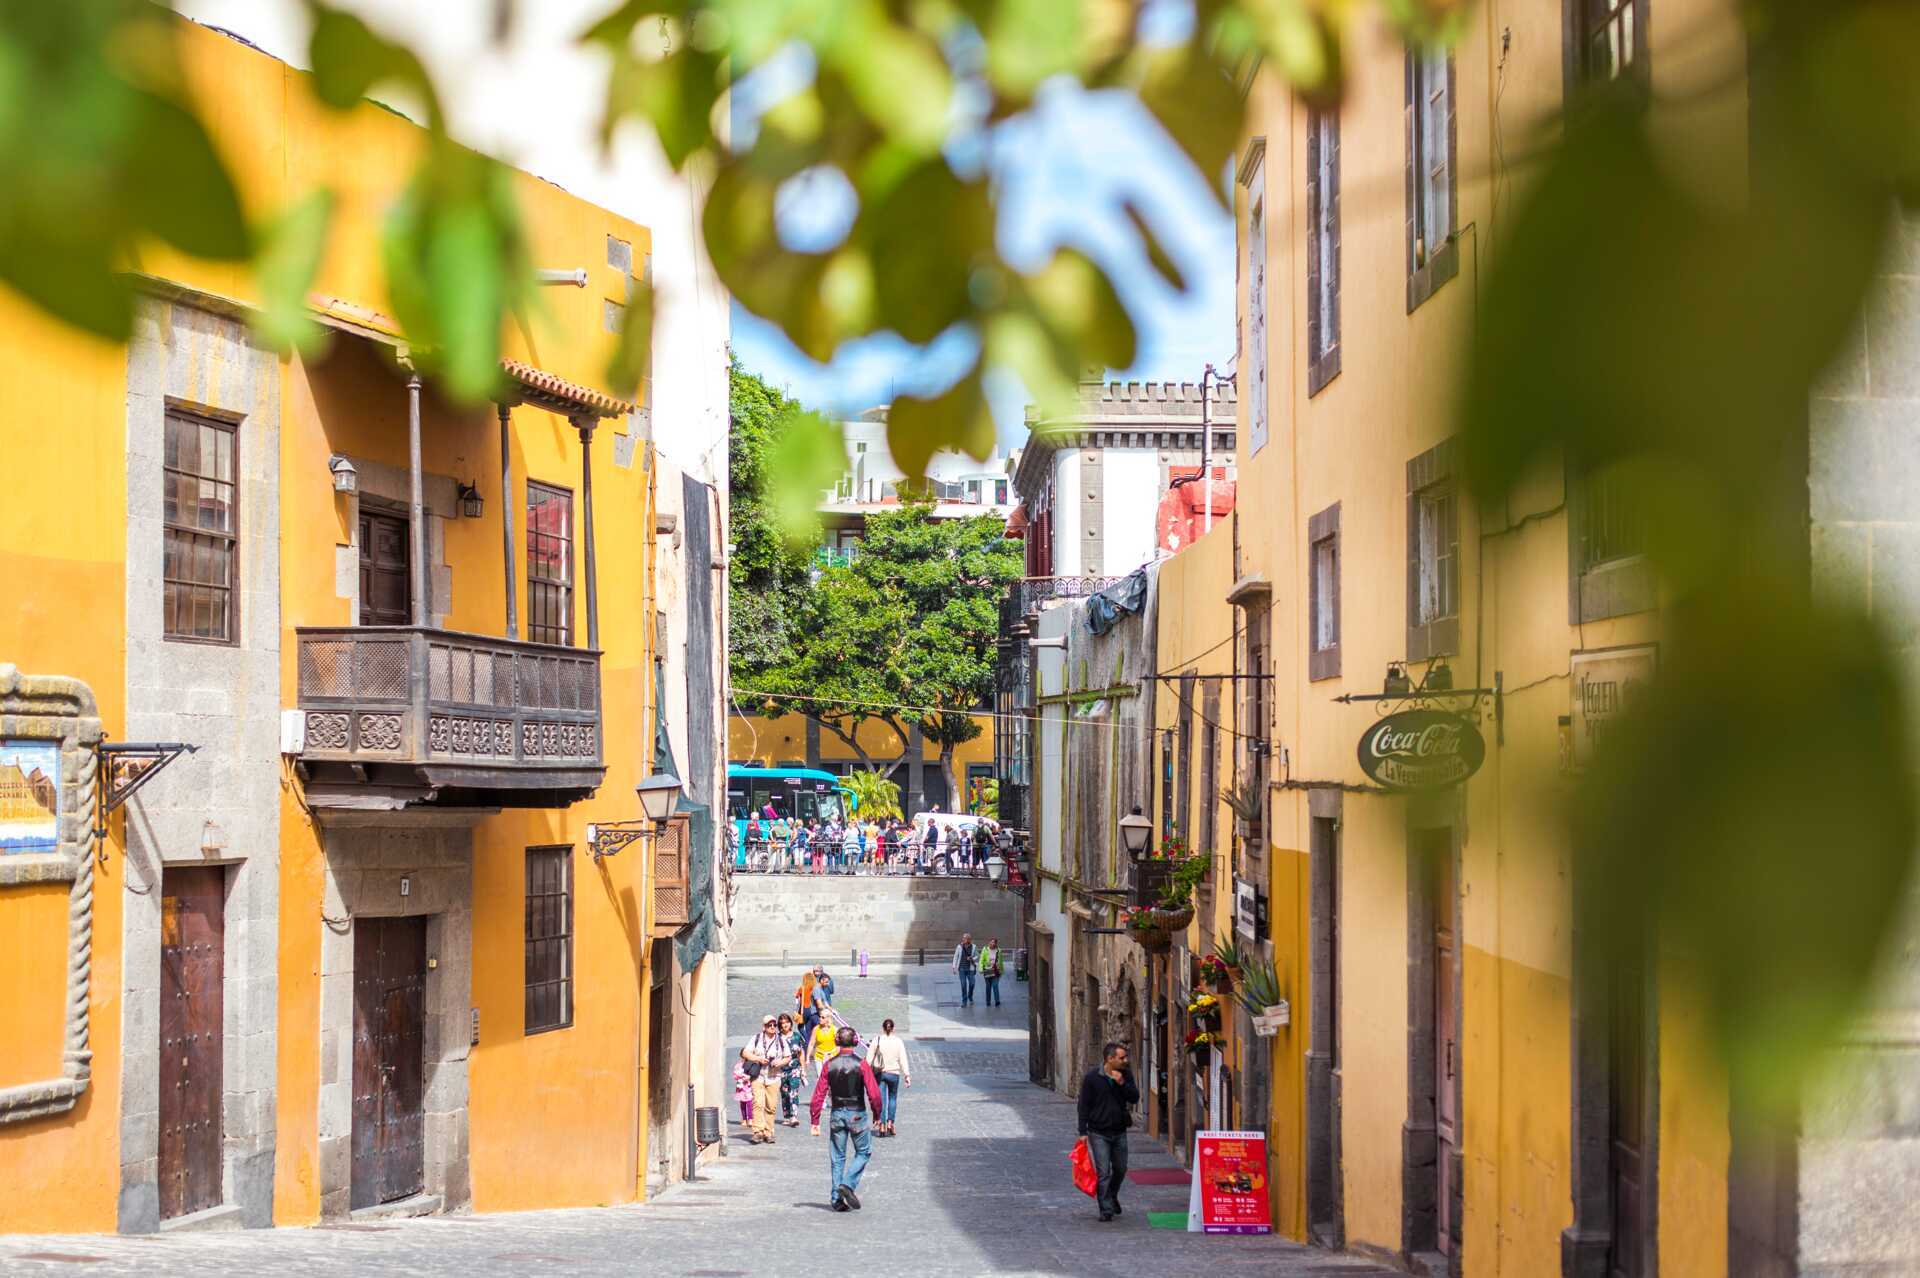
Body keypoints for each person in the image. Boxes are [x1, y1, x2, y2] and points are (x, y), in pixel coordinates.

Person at [810, 1025, 883, 1211]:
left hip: (837, 1112)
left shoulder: (829, 1064)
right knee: (864, 1151)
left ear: (836, 1041)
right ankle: (848, 1184)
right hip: (857, 1112)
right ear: (856, 1042)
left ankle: (836, 1199)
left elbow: (819, 1093)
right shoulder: (862, 1064)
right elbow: (874, 1093)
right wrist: (877, 1113)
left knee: (837, 1157)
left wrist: (815, 1119)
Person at [1078, 1042, 1140, 1222]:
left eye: (1125, 1057)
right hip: (1098, 1132)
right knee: (1103, 1172)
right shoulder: (1092, 1078)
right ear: (1109, 1059)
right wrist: (1082, 1132)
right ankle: (1106, 1209)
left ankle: (1112, 1195)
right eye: (1121, 1058)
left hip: (1119, 1130)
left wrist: (1121, 1083)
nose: (1125, 1061)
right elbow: (1083, 1106)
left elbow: (1134, 1097)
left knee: (1120, 1169)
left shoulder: (1126, 1075)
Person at [744, 1015, 792, 1145]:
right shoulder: (756, 1039)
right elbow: (745, 1053)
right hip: (758, 1075)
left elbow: (788, 1057)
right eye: (769, 1025)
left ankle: (768, 1131)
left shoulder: (781, 1040)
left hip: (774, 1077)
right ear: (764, 1027)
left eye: (774, 1025)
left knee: (771, 1106)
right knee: (758, 1103)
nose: (772, 1027)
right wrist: (758, 1059)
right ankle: (757, 1131)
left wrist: (779, 1062)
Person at [865, 1017, 912, 1136]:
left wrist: (866, 1073)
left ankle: (882, 1124)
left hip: (880, 1073)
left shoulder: (877, 1040)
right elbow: (903, 1059)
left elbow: (869, 1058)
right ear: (893, 1029)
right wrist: (907, 1074)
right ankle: (891, 1122)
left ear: (883, 1028)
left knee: (881, 1099)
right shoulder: (898, 1041)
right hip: (894, 1073)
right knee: (892, 1098)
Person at [777, 1013, 806, 1126]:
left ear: (790, 1023)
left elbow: (801, 1054)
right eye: (782, 1023)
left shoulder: (796, 1036)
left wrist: (803, 1069)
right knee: (784, 1093)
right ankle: (787, 1116)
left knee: (793, 1092)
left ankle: (794, 1116)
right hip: (781, 1069)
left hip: (795, 1068)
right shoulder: (777, 1038)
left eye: (787, 1022)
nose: (785, 1025)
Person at [952, 932, 978, 1008]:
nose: (963, 939)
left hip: (971, 969)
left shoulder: (973, 946)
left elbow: (977, 955)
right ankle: (964, 1001)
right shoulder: (959, 946)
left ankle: (970, 996)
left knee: (972, 983)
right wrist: (954, 967)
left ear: (969, 939)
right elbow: (956, 957)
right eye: (963, 938)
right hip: (962, 969)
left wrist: (972, 958)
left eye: (965, 938)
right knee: (963, 985)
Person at [980, 937, 1004, 1008]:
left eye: (994, 942)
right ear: (989, 942)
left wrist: (1002, 970)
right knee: (988, 987)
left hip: (996, 970)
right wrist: (981, 969)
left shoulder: (999, 950)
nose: (992, 943)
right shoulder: (985, 949)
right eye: (991, 942)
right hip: (987, 970)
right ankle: (988, 1001)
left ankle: (997, 1001)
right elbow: (981, 959)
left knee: (995, 985)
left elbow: (1001, 961)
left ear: (996, 943)